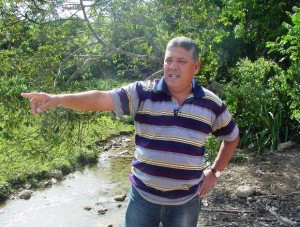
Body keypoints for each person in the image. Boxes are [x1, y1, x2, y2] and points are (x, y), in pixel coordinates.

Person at [21, 37, 239, 227]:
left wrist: (214, 173)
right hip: (142, 200)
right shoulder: (142, 93)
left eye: (181, 61)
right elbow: (101, 98)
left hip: (185, 203)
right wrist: (59, 99)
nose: (173, 66)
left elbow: (231, 137)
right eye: (168, 60)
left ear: (196, 66)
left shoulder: (210, 103)